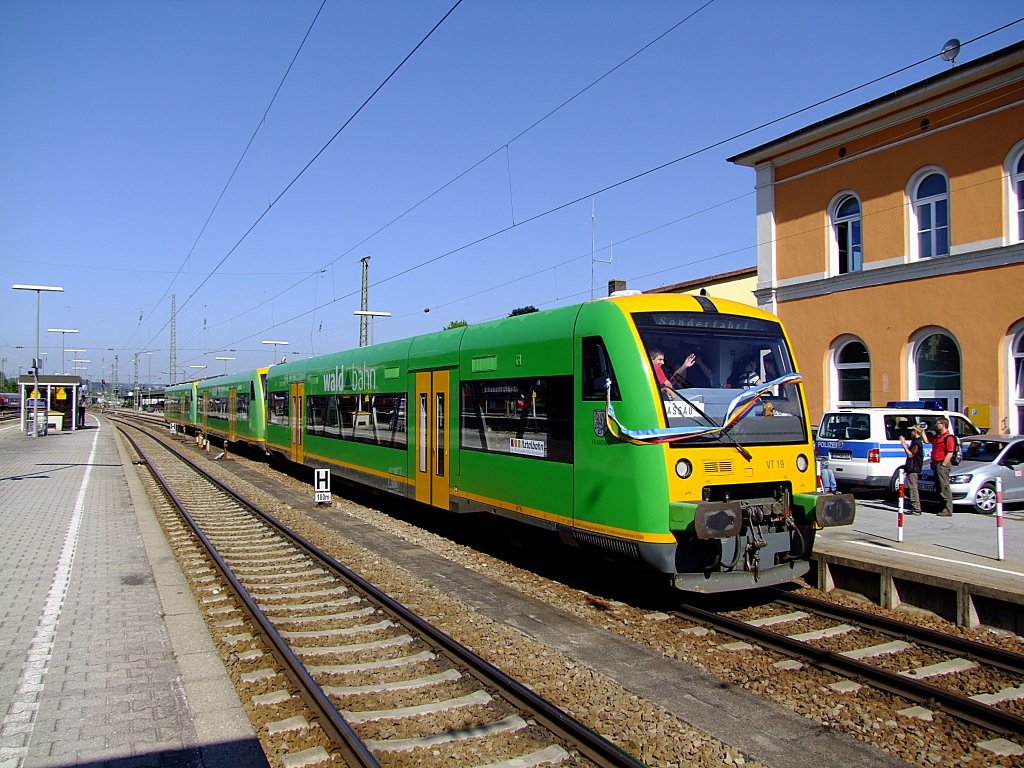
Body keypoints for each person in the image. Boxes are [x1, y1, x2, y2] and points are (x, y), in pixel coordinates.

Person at [925, 417, 955, 517]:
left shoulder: (948, 437)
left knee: (944, 487)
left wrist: (943, 465)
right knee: (939, 487)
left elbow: (950, 453)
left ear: (943, 424)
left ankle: (948, 509)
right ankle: (941, 507)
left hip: (942, 464)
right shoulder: (938, 437)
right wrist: (921, 431)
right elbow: (927, 441)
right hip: (935, 463)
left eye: (938, 423)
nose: (936, 425)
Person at [899, 422, 925, 515]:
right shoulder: (915, 440)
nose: (911, 432)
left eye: (912, 431)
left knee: (913, 487)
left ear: (916, 432)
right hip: (911, 466)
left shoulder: (917, 443)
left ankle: (916, 508)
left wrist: (904, 444)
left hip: (914, 468)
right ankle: (913, 505)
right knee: (911, 486)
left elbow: (910, 454)